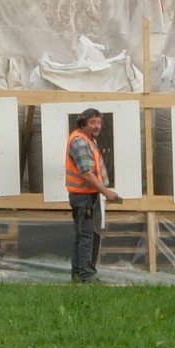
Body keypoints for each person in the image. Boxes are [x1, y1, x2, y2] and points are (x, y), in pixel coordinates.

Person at [66, 108, 121, 283]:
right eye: (93, 122)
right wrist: (106, 191)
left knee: (82, 236)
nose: (97, 126)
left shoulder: (88, 140)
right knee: (87, 237)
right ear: (83, 123)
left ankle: (78, 274)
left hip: (85, 196)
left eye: (99, 122)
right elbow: (87, 174)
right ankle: (87, 276)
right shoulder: (81, 142)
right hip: (85, 198)